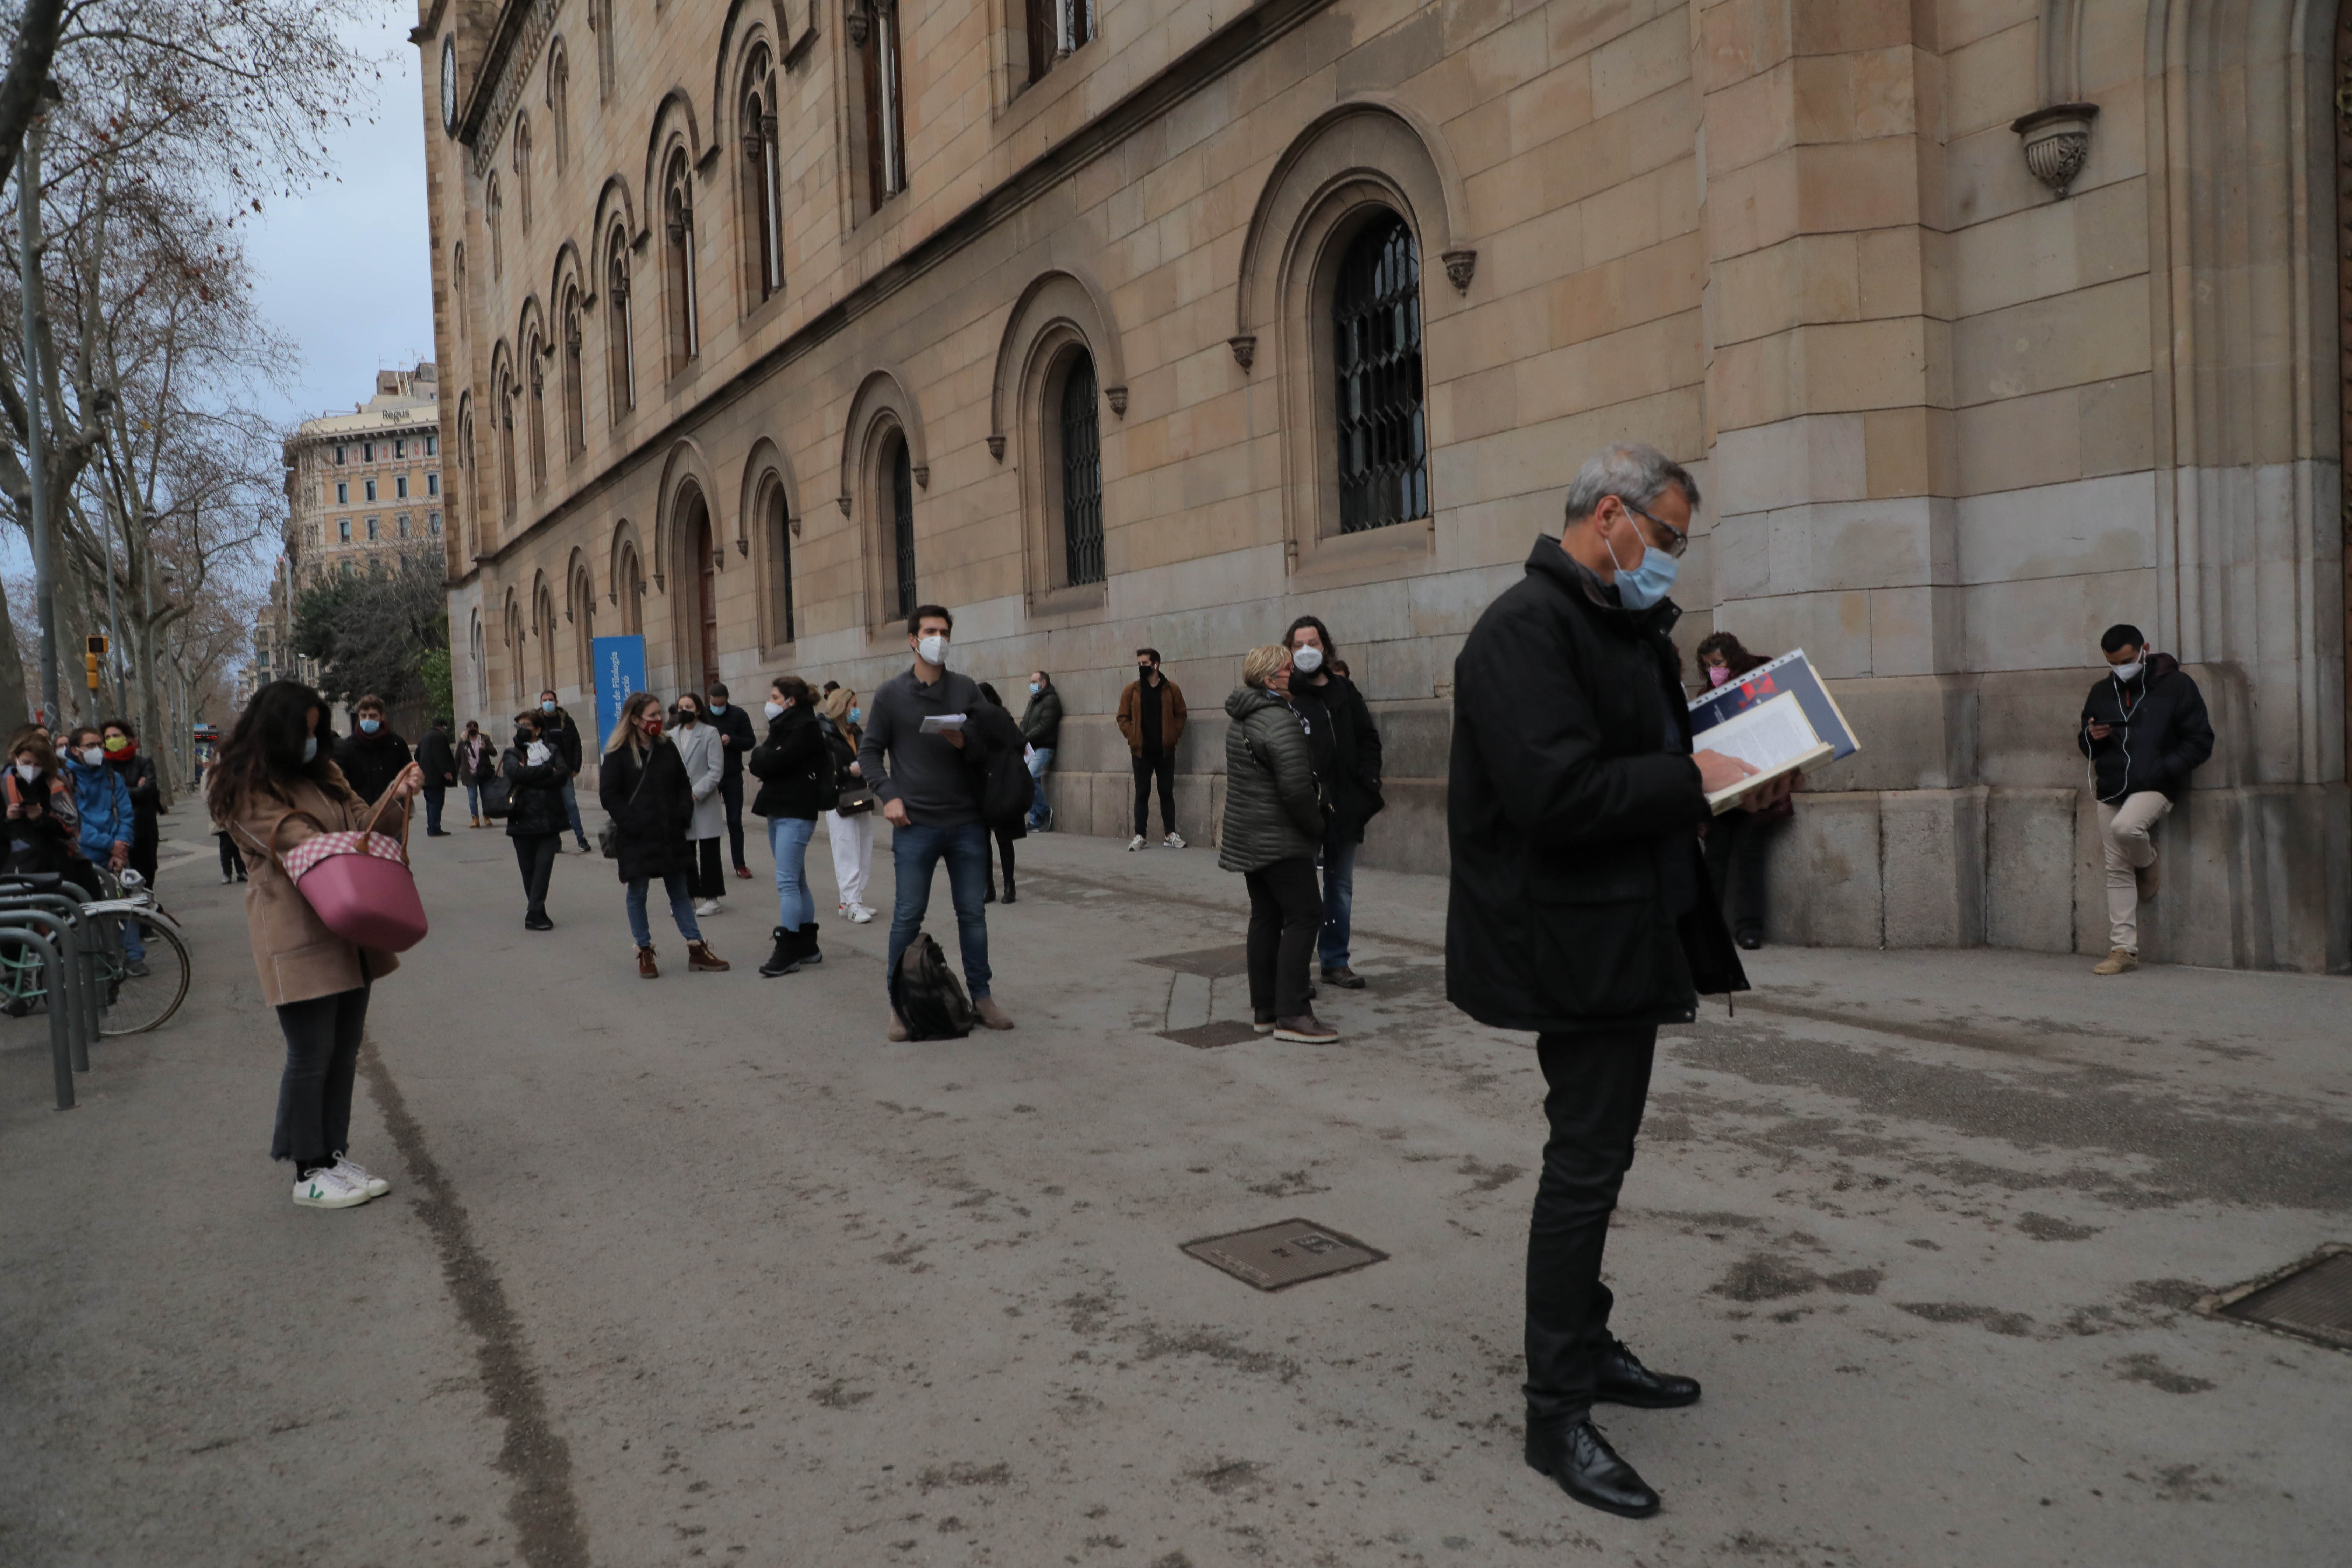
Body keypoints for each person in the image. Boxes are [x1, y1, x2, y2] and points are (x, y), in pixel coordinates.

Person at [1450, 443, 1791, 1521]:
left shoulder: (1616, 624)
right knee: (1583, 1164)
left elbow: (1651, 754)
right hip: (1568, 942)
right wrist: (1692, 776)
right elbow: (1556, 794)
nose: (1672, 560)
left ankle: (1587, 1349)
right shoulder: (1522, 629)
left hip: (1621, 929)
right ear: (1612, 517)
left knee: (1598, 1152)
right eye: (1670, 536)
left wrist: (1735, 758)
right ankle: (1554, 1412)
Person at [211, 679, 423, 1209]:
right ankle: (306, 1169)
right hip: (297, 930)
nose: (313, 740)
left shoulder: (323, 772)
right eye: (304, 731)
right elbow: (297, 839)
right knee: (311, 1052)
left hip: (351, 924)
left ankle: (331, 1154)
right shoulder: (240, 784)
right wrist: (356, 833)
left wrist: (397, 797)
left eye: (318, 730)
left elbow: (365, 825)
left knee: (344, 1051)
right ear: (277, 730)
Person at [859, 604, 1015, 1037]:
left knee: (973, 915)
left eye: (945, 632)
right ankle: (899, 1006)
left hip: (967, 822)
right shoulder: (891, 695)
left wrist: (965, 740)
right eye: (930, 631)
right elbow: (869, 752)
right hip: (915, 825)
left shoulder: (966, 689)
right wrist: (888, 795)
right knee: (908, 916)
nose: (939, 639)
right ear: (913, 639)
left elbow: (992, 745)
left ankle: (982, 997)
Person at [2078, 623, 2213, 975]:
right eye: (2112, 662)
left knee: (2126, 829)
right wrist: (2093, 736)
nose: (2120, 667)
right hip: (2110, 785)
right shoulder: (2101, 691)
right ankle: (2123, 949)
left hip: (2157, 785)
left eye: (2125, 659)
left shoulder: (2177, 686)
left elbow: (2201, 740)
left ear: (2144, 649)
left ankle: (2148, 858)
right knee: (2115, 868)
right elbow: (2085, 746)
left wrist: (2164, 770)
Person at [1220, 644, 1336, 1042]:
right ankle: (1293, 1013)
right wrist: (1318, 824)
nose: (1296, 672)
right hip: (1281, 837)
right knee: (1305, 915)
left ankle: (1266, 1010)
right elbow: (1296, 790)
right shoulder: (1278, 720)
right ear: (1269, 680)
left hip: (1251, 836)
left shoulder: (1243, 718)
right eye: (1288, 669)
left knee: (1266, 917)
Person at [1282, 618, 1383, 991]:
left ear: (1325, 646)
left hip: (1345, 807)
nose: (1307, 649)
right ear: (1289, 651)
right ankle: (1295, 969)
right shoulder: (1288, 692)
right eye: (1298, 644)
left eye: (1313, 642)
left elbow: (1369, 739)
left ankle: (1335, 962)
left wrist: (1369, 785)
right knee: (1301, 891)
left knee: (1340, 886)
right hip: (1304, 810)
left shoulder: (1344, 690)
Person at [599, 692, 729, 977]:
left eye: (660, 715)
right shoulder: (618, 752)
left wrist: (682, 814)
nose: (660, 720)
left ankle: (697, 948)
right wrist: (632, 822)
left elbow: (684, 785)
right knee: (638, 892)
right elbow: (609, 795)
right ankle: (645, 952)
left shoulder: (667, 747)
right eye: (653, 716)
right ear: (635, 720)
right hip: (637, 835)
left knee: (681, 893)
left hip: (670, 832)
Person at [1692, 631, 1792, 950]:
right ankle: (1708, 928)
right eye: (1708, 666)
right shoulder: (1707, 695)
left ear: (1733, 658)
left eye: (1718, 663)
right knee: (1715, 860)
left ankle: (1750, 928)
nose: (1714, 671)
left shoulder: (1759, 681)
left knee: (1751, 859)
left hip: (1756, 788)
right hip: (1722, 793)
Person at [748, 675, 831, 976]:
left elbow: (768, 762)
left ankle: (789, 948)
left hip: (795, 811)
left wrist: (765, 757)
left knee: (786, 882)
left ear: (790, 701)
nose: (770, 703)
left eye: (774, 697)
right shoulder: (784, 727)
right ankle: (808, 945)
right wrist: (765, 757)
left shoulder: (804, 728)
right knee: (796, 880)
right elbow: (760, 761)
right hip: (780, 808)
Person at [63, 726, 146, 974]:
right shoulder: (64, 779)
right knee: (91, 909)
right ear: (75, 750)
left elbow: (126, 815)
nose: (98, 750)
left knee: (127, 905)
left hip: (117, 852)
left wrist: (120, 847)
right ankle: (101, 960)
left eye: (100, 744)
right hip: (85, 853)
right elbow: (73, 823)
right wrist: (111, 845)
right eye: (91, 746)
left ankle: (133, 956)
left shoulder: (113, 778)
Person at [500, 709, 572, 931]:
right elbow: (515, 775)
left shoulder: (552, 749)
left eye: (526, 726)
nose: (521, 730)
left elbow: (562, 774)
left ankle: (533, 911)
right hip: (522, 819)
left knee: (543, 867)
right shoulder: (512, 753)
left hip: (550, 818)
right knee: (529, 869)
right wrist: (545, 772)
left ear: (538, 729)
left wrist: (533, 776)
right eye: (518, 726)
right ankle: (537, 910)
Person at [1116, 648, 1187, 849]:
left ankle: (1170, 834)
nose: (1141, 667)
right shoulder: (1133, 691)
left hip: (1165, 751)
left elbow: (1181, 714)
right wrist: (1133, 737)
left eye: (1145, 664)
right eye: (1139, 664)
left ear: (1156, 664)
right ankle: (1140, 835)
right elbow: (1123, 717)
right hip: (1141, 752)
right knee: (1142, 793)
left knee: (1166, 793)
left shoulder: (1171, 689)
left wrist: (1174, 734)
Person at [820, 686, 876, 923]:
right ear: (841, 707)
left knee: (863, 849)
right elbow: (825, 770)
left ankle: (851, 900)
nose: (856, 710)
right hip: (840, 798)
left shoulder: (856, 732)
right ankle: (853, 904)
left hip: (861, 795)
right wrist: (847, 771)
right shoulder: (826, 735)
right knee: (847, 852)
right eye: (853, 705)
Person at [671, 691, 728, 917]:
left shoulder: (710, 733)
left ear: (698, 709)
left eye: (689, 707)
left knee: (709, 852)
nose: (684, 711)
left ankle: (712, 898)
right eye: (681, 707)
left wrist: (694, 794)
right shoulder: (672, 735)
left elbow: (716, 772)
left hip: (704, 803)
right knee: (685, 853)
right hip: (680, 805)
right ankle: (689, 897)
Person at [5, 733, 82, 881]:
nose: (32, 769)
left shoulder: (55, 785)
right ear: (16, 758)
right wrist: (9, 818)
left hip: (55, 863)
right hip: (14, 864)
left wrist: (41, 818)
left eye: (38, 764)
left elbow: (70, 829)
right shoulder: (5, 786)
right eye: (27, 763)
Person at [99, 718, 163, 889]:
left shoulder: (144, 763)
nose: (112, 740)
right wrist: (134, 789)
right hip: (113, 829)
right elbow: (104, 794)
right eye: (108, 737)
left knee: (146, 872)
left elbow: (148, 791)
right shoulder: (102, 766)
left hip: (144, 827)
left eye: (116, 735)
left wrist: (118, 792)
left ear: (127, 738)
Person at [708, 681, 757, 881]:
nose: (717, 708)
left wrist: (732, 741)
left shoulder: (739, 715)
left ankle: (740, 864)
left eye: (720, 704)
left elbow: (751, 741)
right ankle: (711, 865)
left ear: (727, 701)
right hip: (710, 776)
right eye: (714, 704)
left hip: (732, 774)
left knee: (735, 820)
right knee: (709, 823)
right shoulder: (703, 715)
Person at [535, 691, 593, 852]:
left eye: (551, 700)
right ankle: (556, 840)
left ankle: (581, 838)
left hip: (564, 770)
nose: (548, 703)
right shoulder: (536, 723)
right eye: (545, 700)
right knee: (551, 806)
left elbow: (576, 743)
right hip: (546, 772)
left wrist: (575, 767)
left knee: (571, 804)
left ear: (557, 701)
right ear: (541, 703)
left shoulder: (566, 720)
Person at [335, 695, 412, 805]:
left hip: (392, 809)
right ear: (359, 717)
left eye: (373, 716)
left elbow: (408, 775)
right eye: (364, 716)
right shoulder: (349, 746)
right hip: (360, 812)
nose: (368, 720)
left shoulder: (397, 744)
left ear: (382, 717)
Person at [1019, 671, 1062, 831]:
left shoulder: (1051, 700)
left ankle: (1045, 812)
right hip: (1030, 748)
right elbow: (1025, 722)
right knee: (1028, 780)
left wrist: (1026, 738)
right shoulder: (1034, 701)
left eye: (1034, 682)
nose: (1032, 685)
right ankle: (1035, 821)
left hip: (1044, 747)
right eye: (1030, 682)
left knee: (1029, 778)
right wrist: (1021, 737)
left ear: (1043, 683)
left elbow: (1045, 726)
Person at [415, 717, 459, 836]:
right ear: (442, 727)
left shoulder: (424, 737)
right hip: (436, 778)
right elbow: (440, 756)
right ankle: (435, 828)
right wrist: (446, 772)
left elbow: (417, 755)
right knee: (437, 802)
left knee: (430, 803)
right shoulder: (439, 737)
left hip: (426, 777)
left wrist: (423, 767)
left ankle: (431, 827)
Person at [458, 720, 498, 827]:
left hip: (484, 773)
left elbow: (494, 753)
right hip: (469, 774)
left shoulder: (485, 739)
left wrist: (486, 748)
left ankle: (487, 816)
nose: (472, 731)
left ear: (478, 729)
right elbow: (458, 758)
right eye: (470, 729)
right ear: (467, 730)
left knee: (485, 796)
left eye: (474, 729)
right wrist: (455, 771)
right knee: (472, 797)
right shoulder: (463, 742)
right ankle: (475, 819)